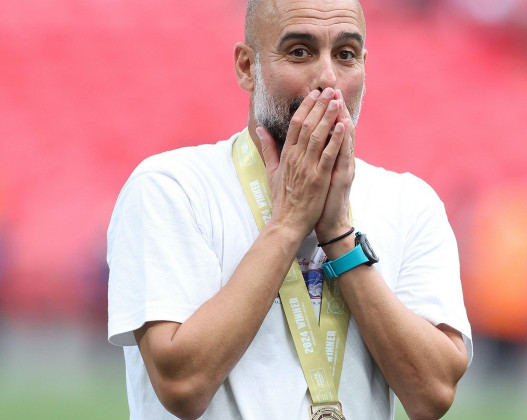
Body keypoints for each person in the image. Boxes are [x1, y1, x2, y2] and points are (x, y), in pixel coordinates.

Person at [107, 0, 472, 419]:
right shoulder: (171, 188)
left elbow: (433, 394)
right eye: (299, 51)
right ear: (247, 67)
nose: (327, 78)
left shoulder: (411, 202)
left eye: (346, 55)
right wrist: (288, 223)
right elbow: (181, 385)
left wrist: (338, 235)